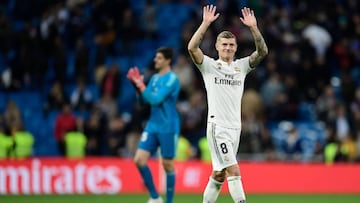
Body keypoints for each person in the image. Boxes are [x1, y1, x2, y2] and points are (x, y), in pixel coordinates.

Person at [187, 5, 268, 203]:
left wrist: (253, 28)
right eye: (224, 45)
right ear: (216, 46)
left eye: (231, 45)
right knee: (233, 168)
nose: (227, 48)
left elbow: (263, 52)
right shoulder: (209, 66)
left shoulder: (241, 67)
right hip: (218, 127)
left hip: (235, 128)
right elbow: (191, 48)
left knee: (220, 174)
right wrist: (206, 23)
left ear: (236, 47)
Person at [127, 47, 181, 203]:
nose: (155, 60)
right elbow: (142, 101)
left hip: (168, 126)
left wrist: (141, 85)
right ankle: (155, 197)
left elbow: (156, 99)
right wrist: (137, 87)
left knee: (168, 165)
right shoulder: (155, 78)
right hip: (152, 125)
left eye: (158, 58)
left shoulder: (172, 79)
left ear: (168, 60)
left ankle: (169, 202)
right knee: (139, 160)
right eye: (155, 57)